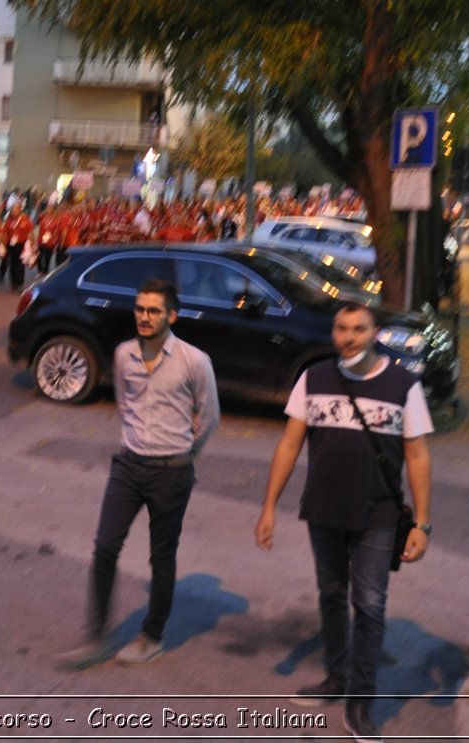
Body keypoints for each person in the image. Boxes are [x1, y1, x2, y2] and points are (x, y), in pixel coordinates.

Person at [254, 302, 433, 743]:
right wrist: (269, 507)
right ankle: (335, 678)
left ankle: (361, 702)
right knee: (331, 594)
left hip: (378, 513)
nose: (349, 337)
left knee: (369, 605)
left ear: (375, 334)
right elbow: (289, 444)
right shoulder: (313, 379)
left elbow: (418, 455)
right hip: (324, 508)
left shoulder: (402, 385)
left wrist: (422, 524)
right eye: (341, 329)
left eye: (359, 329)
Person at [58, 279, 220, 671]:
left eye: (153, 311)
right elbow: (124, 402)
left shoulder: (193, 360)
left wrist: (184, 453)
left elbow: (209, 415)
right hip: (128, 467)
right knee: (104, 547)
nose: (144, 317)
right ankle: (97, 634)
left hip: (172, 472)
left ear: (172, 315)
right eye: (140, 309)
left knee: (161, 556)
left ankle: (152, 636)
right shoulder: (123, 354)